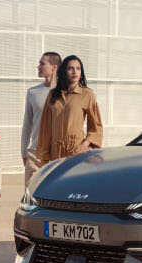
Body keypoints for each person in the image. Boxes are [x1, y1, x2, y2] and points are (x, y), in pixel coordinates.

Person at [34, 55, 103, 168]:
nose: (74, 71)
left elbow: (96, 126)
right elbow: (45, 129)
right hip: (56, 153)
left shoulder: (87, 94)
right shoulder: (52, 94)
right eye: (70, 68)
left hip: (77, 151)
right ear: (63, 71)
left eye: (78, 68)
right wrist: (44, 157)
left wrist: (84, 145)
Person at [21, 52, 61, 183]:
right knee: (30, 195)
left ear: (54, 67)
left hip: (58, 154)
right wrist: (24, 151)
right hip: (35, 153)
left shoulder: (65, 93)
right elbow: (27, 124)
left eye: (42, 64)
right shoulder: (32, 92)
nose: (38, 67)